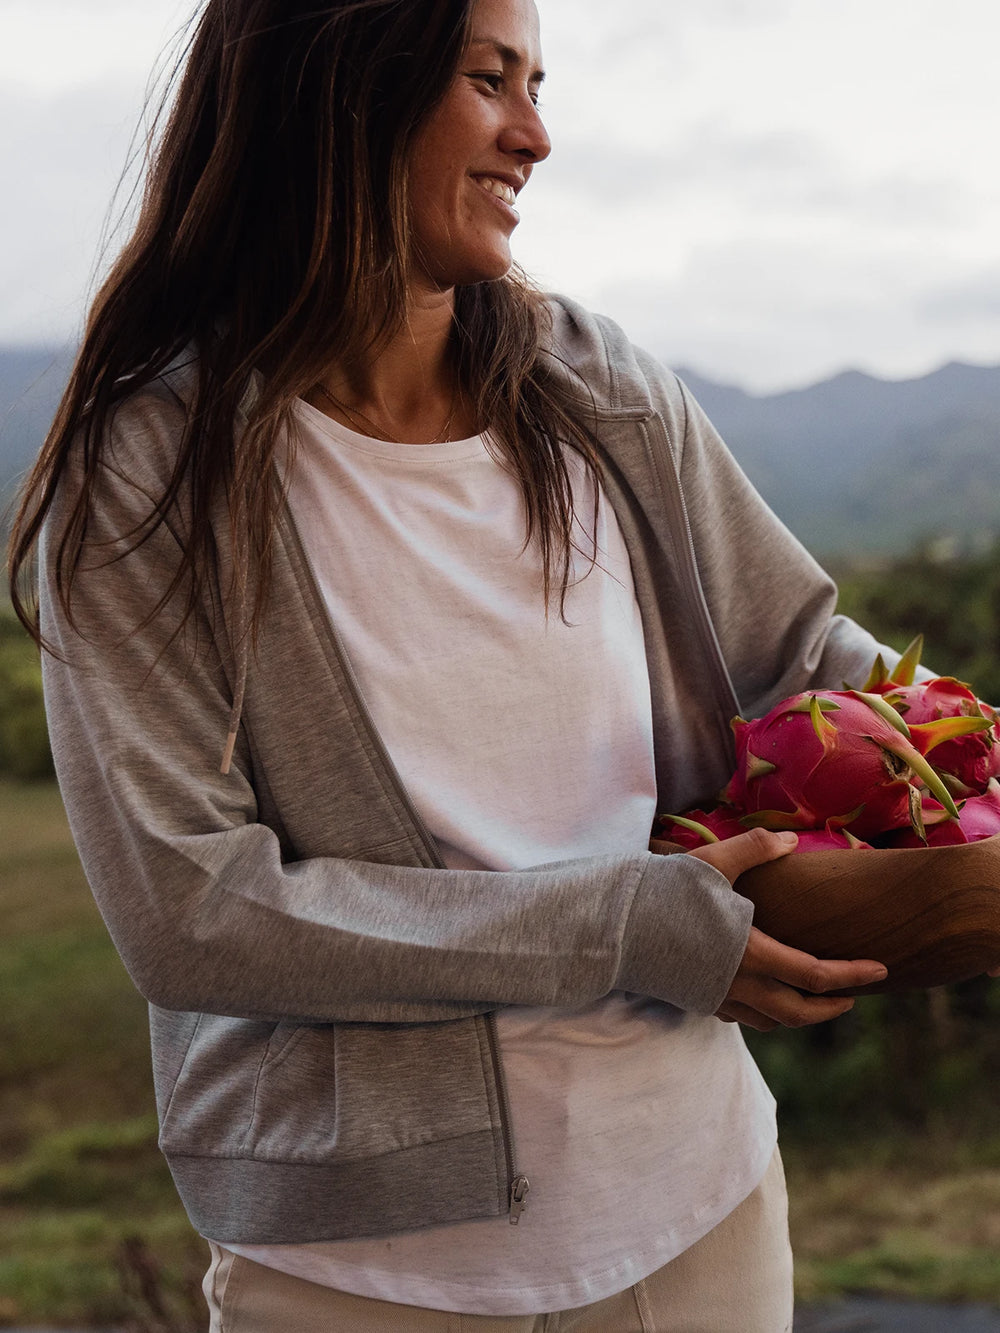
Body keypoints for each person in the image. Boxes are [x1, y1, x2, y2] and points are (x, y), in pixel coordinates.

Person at [7, 0, 899, 1328]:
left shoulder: (604, 391)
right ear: (338, 87)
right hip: (356, 1276)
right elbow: (193, 907)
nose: (536, 136)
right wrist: (625, 925)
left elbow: (807, 661)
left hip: (701, 1214)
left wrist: (968, 765)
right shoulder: (144, 481)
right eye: (491, 80)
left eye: (537, 83)